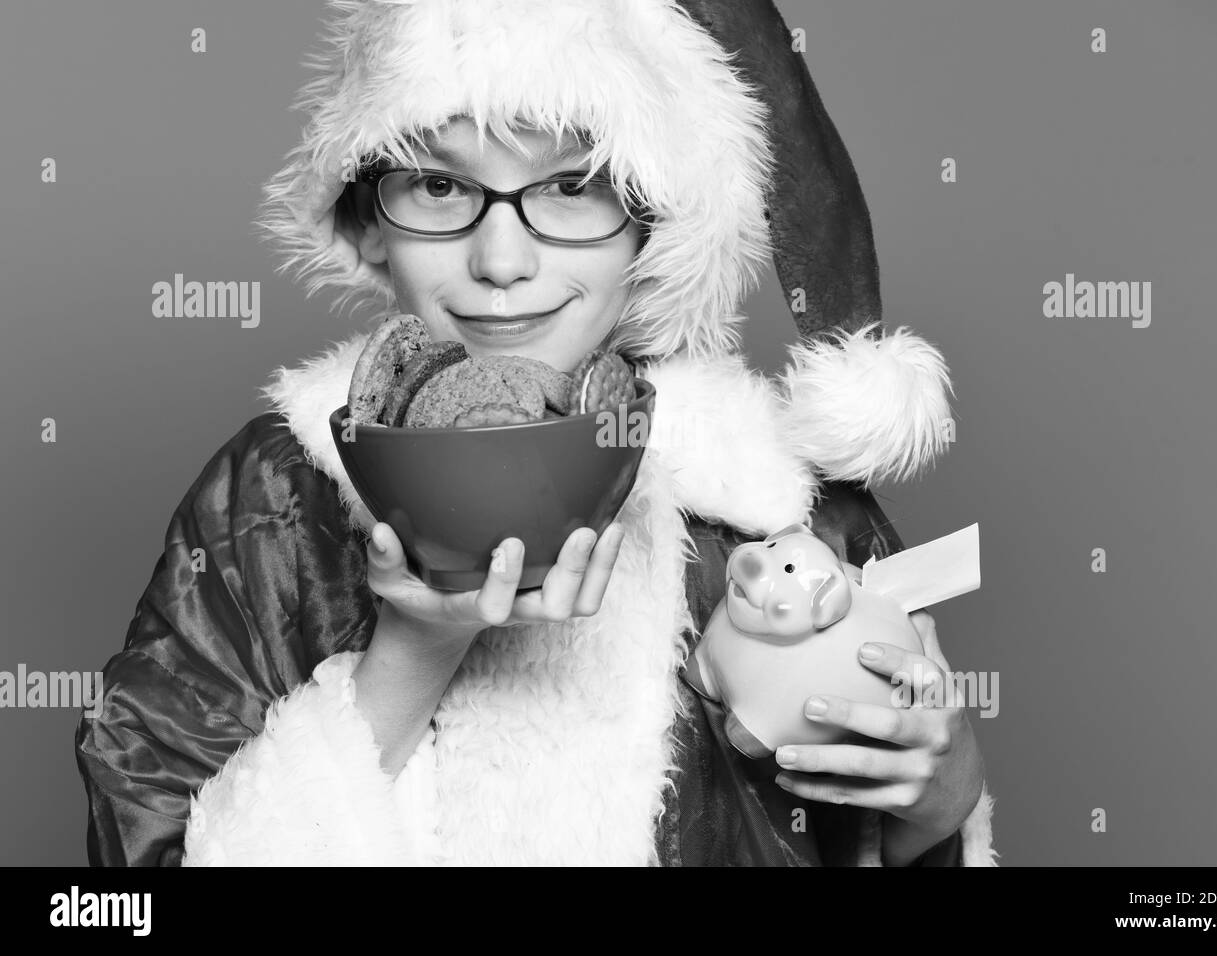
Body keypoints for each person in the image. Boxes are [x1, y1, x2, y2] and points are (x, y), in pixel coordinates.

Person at [75, 0, 997, 866]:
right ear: (368, 219)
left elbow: (848, 827)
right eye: (439, 184)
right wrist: (415, 651)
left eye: (572, 186)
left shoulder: (779, 512)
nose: (502, 262)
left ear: (658, 225)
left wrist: (940, 801)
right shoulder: (271, 501)